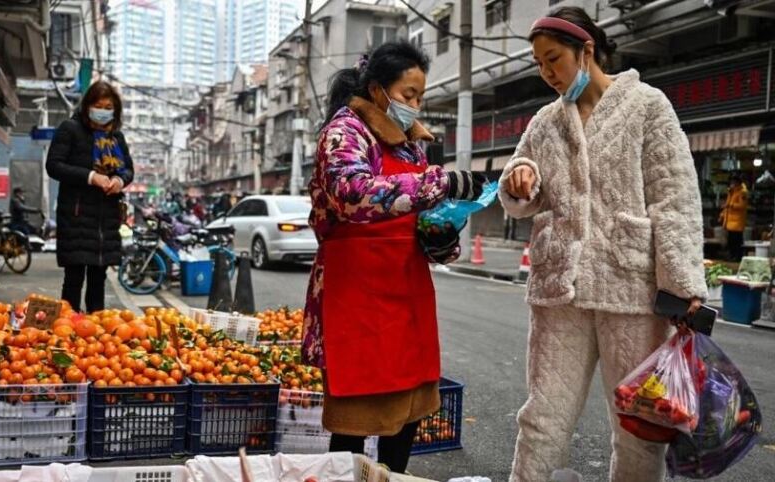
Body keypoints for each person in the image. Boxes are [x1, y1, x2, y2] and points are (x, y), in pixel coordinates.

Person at [499, 8, 707, 481]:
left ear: (586, 50)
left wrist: (682, 284)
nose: (547, 73)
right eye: (539, 63)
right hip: (560, 289)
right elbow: (517, 190)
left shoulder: (647, 105)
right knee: (543, 417)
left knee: (639, 424)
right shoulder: (545, 122)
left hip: (631, 289)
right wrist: (520, 181)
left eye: (553, 59)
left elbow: (674, 196)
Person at [301, 40, 487, 473]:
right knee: (355, 416)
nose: (415, 105)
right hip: (357, 292)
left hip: (406, 288)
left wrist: (440, 236)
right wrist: (438, 184)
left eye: (421, 97)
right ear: (378, 89)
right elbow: (351, 194)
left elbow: (422, 212)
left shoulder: (409, 146)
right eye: (408, 95)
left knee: (406, 412)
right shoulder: (343, 132)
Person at [46, 80, 134, 313]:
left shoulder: (117, 137)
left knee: (99, 278)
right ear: (87, 106)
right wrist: (90, 176)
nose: (103, 111)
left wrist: (119, 181)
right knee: (74, 277)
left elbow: (127, 170)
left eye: (108, 107)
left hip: (106, 218)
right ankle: (68, 329)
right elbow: (54, 165)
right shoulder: (70, 129)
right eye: (98, 105)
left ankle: (96, 334)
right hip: (76, 215)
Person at [720, 173, 749, 261]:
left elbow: (742, 205)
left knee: (737, 241)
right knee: (731, 241)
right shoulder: (731, 191)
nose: (732, 183)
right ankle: (732, 256)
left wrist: (731, 205)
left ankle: (737, 257)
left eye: (734, 181)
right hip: (730, 221)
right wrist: (722, 215)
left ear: (738, 182)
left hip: (737, 221)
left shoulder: (742, 192)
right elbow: (727, 205)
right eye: (731, 181)